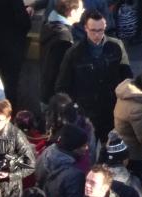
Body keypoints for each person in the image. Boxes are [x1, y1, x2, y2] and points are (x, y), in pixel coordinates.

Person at [54, 11, 134, 140]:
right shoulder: (74, 53)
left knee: (110, 150)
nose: (97, 34)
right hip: (86, 112)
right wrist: (72, 109)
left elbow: (127, 76)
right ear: (86, 28)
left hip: (111, 108)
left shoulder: (116, 46)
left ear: (105, 27)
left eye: (100, 30)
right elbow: (62, 85)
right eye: (93, 30)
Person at [41, 0, 85, 104]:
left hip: (47, 92)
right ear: (72, 12)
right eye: (81, 9)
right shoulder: (63, 37)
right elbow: (60, 70)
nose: (83, 11)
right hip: (57, 99)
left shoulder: (50, 25)